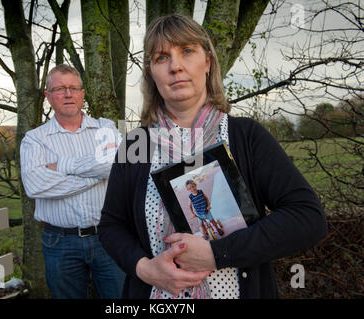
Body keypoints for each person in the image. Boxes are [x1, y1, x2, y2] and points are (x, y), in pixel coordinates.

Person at [98, 14, 328, 299]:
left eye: (187, 51)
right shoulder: (137, 144)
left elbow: (307, 217)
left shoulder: (246, 137)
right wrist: (144, 269)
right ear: (151, 73)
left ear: (207, 62)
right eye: (161, 57)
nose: (176, 66)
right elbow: (111, 226)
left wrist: (217, 253)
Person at [20, 64, 125, 299]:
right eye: (59, 88)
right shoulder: (35, 140)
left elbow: (116, 166)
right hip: (60, 242)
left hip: (107, 236)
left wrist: (63, 167)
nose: (68, 94)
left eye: (73, 88)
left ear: (82, 94)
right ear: (48, 96)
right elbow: (35, 185)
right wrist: (98, 173)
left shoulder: (105, 128)